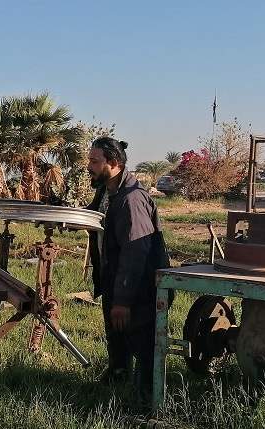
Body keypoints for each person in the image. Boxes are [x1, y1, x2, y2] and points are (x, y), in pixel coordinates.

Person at [86, 136, 169, 400]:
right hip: (115, 280)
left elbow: (135, 254)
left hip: (139, 288)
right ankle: (118, 378)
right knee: (117, 338)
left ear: (114, 163)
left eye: (94, 161)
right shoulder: (107, 191)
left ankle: (147, 401)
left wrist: (123, 300)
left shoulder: (131, 200)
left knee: (143, 346)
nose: (89, 167)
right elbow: (91, 217)